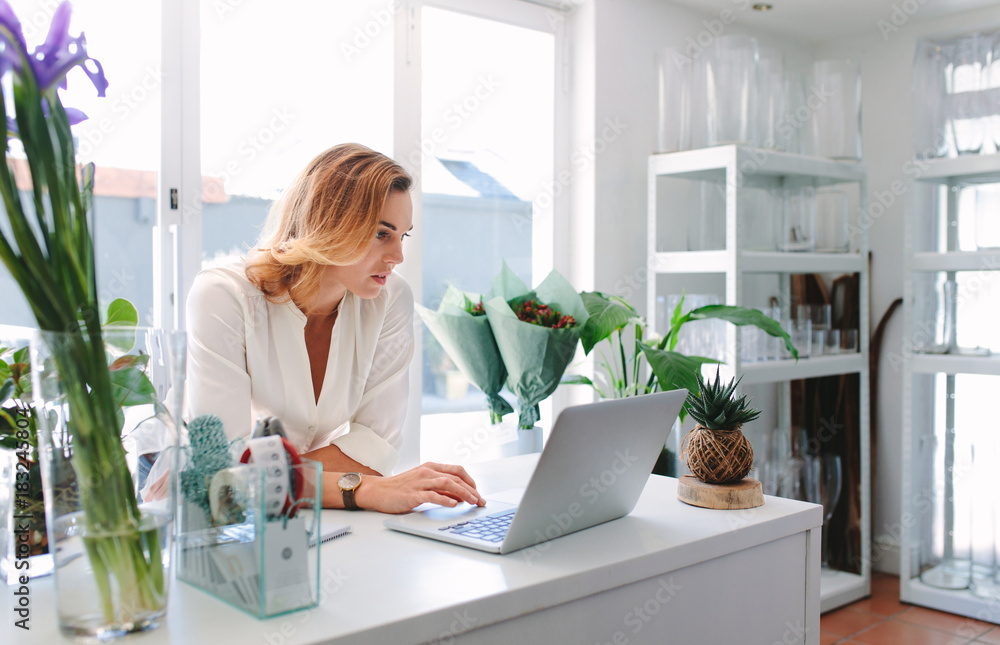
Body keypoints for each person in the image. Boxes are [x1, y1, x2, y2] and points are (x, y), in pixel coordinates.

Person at [184, 143, 485, 513]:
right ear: (329, 223)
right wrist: (364, 490)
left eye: (402, 236)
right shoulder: (224, 296)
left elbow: (376, 444)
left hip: (302, 520)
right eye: (381, 234)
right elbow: (223, 475)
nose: (398, 256)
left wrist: (273, 481)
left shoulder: (389, 299)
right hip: (203, 520)